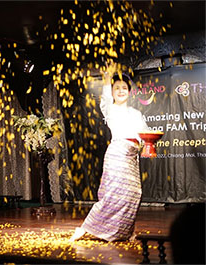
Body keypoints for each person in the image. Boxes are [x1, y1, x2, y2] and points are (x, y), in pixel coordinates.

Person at [70, 62, 149, 242]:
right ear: (112, 92)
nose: (121, 91)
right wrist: (107, 78)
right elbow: (105, 98)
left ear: (129, 91)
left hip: (132, 157)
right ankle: (85, 227)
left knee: (133, 194)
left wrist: (147, 144)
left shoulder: (136, 113)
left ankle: (126, 231)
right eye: (116, 88)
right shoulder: (110, 109)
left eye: (124, 88)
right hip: (117, 155)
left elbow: (145, 134)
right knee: (113, 194)